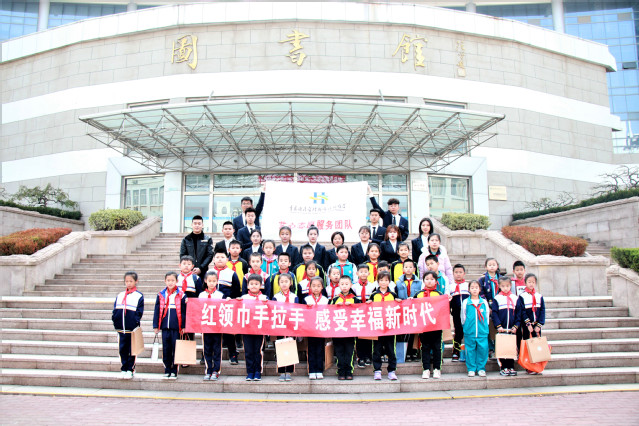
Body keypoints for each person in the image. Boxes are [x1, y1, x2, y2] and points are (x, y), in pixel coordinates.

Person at [153, 272, 186, 380]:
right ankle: (167, 369)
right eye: (168, 280)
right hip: (164, 327)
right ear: (165, 281)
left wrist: (183, 326)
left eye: (172, 280)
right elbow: (157, 310)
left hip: (176, 327)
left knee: (175, 348)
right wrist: (156, 325)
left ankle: (174, 371)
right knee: (166, 348)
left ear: (177, 281)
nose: (170, 282)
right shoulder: (161, 295)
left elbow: (184, 311)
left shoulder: (181, 295)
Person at [211, 249, 241, 365]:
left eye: (222, 257)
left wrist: (231, 301)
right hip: (212, 308)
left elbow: (236, 290)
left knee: (229, 332)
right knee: (211, 332)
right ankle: (207, 355)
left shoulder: (231, 273)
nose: (220, 259)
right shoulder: (209, 272)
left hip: (227, 307)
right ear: (213, 259)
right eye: (217, 257)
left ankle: (233, 354)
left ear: (227, 259)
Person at [112, 271, 144, 379]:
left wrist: (135, 322)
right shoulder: (120, 295)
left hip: (131, 328)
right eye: (127, 281)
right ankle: (124, 368)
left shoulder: (138, 296)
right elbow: (115, 309)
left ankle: (130, 369)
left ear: (136, 281)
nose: (129, 283)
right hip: (121, 328)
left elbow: (139, 312)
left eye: (131, 281)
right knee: (122, 349)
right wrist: (115, 320)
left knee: (132, 349)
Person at [369, 271, 399, 381]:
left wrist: (399, 302)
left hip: (390, 327)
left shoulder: (393, 295)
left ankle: (392, 371)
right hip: (377, 326)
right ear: (378, 281)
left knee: (391, 349)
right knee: (377, 349)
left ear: (389, 282)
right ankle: (377, 370)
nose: (383, 282)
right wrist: (368, 303)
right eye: (381, 280)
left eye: (386, 280)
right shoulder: (374, 295)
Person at [415, 271, 445, 379]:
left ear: (436, 281)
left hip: (436, 326)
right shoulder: (418, 294)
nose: (429, 281)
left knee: (437, 347)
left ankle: (437, 368)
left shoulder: (439, 294)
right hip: (424, 326)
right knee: (425, 347)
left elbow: (443, 309)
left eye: (432, 279)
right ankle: (426, 369)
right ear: (423, 281)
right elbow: (413, 307)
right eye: (427, 279)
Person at [330, 275, 360, 380]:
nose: (344, 286)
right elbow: (328, 312)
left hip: (350, 330)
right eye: (342, 284)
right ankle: (341, 371)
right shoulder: (335, 299)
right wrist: (335, 307)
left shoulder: (355, 299)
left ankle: (349, 371)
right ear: (338, 285)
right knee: (339, 351)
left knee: (349, 351)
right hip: (338, 330)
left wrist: (352, 306)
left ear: (351, 285)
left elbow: (361, 311)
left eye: (347, 284)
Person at [516, 273, 545, 375]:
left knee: (537, 345)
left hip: (536, 326)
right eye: (529, 282)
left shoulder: (539, 296)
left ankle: (537, 365)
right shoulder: (522, 296)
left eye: (533, 282)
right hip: (527, 326)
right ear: (525, 283)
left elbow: (542, 311)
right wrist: (528, 324)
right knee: (528, 345)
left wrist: (539, 324)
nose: (531, 284)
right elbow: (522, 311)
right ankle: (529, 366)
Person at [241, 274, 269, 381]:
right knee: (248, 351)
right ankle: (250, 371)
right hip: (247, 329)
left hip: (259, 329)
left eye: (256, 284)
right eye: (251, 284)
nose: (253, 286)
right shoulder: (243, 298)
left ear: (261, 285)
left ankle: (257, 371)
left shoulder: (264, 298)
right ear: (247, 285)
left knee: (258, 350)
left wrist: (267, 304)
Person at [199, 271, 225, 381]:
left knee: (217, 349)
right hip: (206, 326)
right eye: (209, 281)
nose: (211, 283)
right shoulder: (201, 295)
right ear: (205, 281)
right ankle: (208, 369)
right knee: (207, 349)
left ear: (217, 281)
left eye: (214, 281)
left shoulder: (220, 295)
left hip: (217, 327)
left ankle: (216, 370)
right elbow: (198, 309)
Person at [272, 273, 298, 381]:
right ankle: (282, 371)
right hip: (280, 325)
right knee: (280, 347)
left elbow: (297, 310)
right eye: (281, 282)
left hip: (291, 325)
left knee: (291, 346)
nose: (284, 284)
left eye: (286, 281)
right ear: (278, 283)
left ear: (290, 283)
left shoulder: (294, 297)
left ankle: (289, 371)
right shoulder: (276, 297)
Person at [491, 276, 519, 377]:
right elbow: (494, 313)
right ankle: (503, 367)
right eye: (503, 286)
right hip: (502, 329)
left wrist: (516, 325)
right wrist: (498, 326)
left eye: (507, 286)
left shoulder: (515, 298)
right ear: (499, 286)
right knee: (502, 348)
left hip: (512, 328)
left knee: (511, 348)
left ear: (510, 286)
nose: (505, 288)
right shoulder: (497, 298)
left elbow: (518, 313)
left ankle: (511, 366)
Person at [462, 280, 490, 378]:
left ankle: (481, 368)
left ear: (480, 289)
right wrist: (466, 326)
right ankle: (471, 369)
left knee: (483, 349)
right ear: (469, 289)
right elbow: (463, 316)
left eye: (476, 288)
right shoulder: (466, 302)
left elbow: (487, 316)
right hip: (470, 331)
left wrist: (485, 327)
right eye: (472, 288)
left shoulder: (484, 302)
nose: (474, 290)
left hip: (482, 331)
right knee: (470, 350)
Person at [303, 276, 328, 380]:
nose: (316, 288)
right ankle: (312, 370)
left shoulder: (325, 300)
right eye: (313, 286)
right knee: (311, 349)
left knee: (320, 349)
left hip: (321, 328)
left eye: (318, 286)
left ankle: (319, 370)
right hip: (310, 329)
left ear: (322, 287)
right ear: (310, 287)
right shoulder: (306, 299)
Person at [352, 263, 376, 368]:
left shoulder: (372, 286)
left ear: (369, 273)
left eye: (365, 272)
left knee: (369, 336)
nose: (363, 274)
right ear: (357, 273)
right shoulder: (353, 287)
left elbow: (374, 299)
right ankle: (360, 357)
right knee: (359, 337)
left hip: (369, 314)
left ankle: (368, 356)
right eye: (361, 272)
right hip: (358, 315)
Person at [478, 257, 502, 358]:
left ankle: (500, 348)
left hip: (500, 307)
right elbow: (481, 293)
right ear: (486, 266)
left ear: (497, 266)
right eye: (489, 265)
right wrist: (487, 306)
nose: (492, 267)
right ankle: (491, 348)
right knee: (489, 327)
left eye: (494, 264)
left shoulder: (501, 278)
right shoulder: (483, 279)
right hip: (488, 307)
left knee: (499, 326)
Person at [449, 264, 469, 362]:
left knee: (468, 331)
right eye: (456, 272)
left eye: (460, 272)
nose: (458, 274)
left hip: (467, 313)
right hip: (456, 312)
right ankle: (456, 351)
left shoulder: (468, 285)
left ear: (464, 273)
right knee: (458, 332)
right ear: (453, 273)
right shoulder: (451, 287)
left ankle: (469, 352)